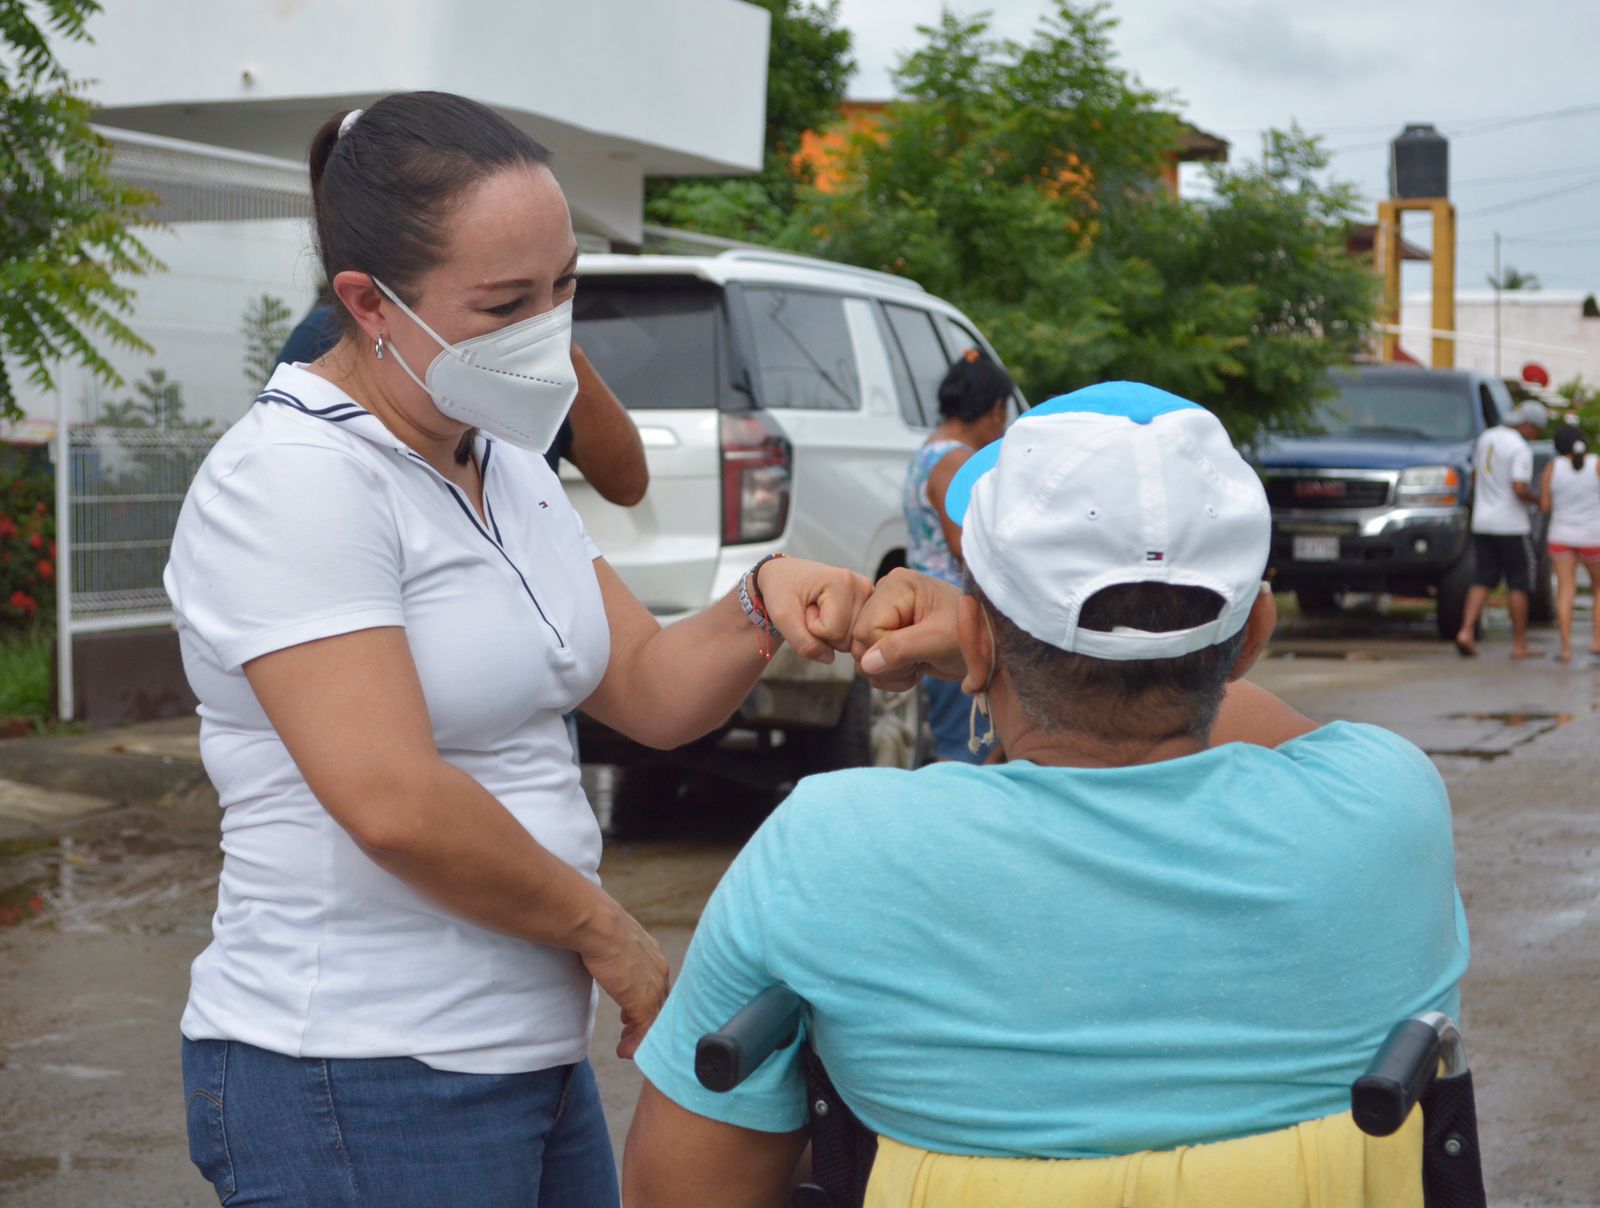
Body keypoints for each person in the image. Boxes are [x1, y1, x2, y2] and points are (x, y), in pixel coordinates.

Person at [165, 91, 871, 1208]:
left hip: (524, 1057)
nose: (549, 326)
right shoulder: (295, 480)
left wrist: (762, 605)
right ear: (368, 303)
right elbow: (391, 796)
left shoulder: (502, 460)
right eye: (505, 302)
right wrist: (612, 936)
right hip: (357, 1069)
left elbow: (640, 683)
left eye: (564, 285)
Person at [623, 383, 1469, 1206]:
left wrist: (986, 653)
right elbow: (1261, 732)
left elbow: (677, 1192)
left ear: (977, 639)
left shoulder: (829, 850)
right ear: (1251, 636)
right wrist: (988, 643)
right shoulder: (1391, 809)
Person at [276, 299, 649, 507]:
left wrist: (557, 344)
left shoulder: (539, 356)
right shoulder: (332, 337)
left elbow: (627, 485)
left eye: (563, 282)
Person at [902, 349, 1012, 763]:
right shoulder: (954, 462)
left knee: (962, 738)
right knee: (967, 745)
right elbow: (964, 543)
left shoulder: (928, 451)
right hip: (954, 615)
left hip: (929, 608)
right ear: (996, 410)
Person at [1455, 399, 1548, 658]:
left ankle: (1465, 630)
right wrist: (1537, 500)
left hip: (1483, 521)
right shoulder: (1520, 448)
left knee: (1482, 578)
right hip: (1511, 525)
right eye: (1537, 430)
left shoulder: (1487, 438)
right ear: (1528, 425)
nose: (1535, 436)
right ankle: (1519, 644)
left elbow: (1474, 475)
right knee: (1519, 583)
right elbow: (1519, 487)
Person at [1539, 417, 1600, 663]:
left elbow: (1544, 505)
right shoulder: (1596, 464)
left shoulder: (1553, 468)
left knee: (1566, 590)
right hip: (1593, 537)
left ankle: (1566, 649)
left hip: (1560, 535)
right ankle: (1597, 642)